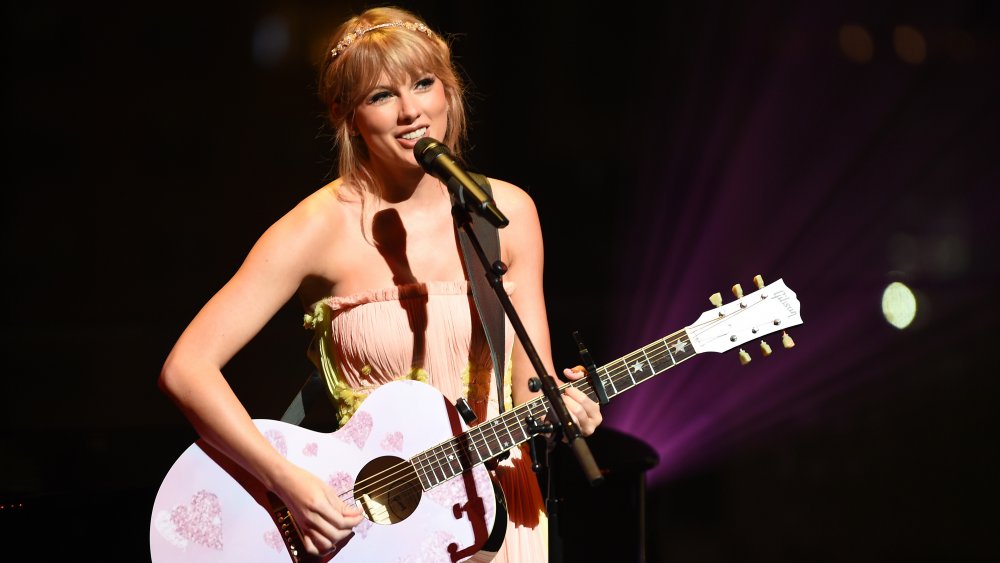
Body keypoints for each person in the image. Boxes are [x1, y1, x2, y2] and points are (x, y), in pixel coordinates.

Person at [158, 5, 602, 562]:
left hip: (497, 518)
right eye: (381, 95)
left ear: (450, 91)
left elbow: (529, 390)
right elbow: (187, 368)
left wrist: (566, 410)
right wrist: (289, 483)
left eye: (424, 84)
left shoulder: (503, 211)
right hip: (375, 530)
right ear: (346, 114)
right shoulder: (318, 227)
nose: (412, 111)